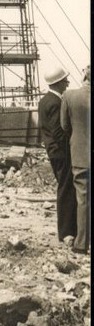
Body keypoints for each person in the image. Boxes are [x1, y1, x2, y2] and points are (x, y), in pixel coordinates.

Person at [37, 66, 77, 247]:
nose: (67, 83)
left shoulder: (44, 100)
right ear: (58, 83)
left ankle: (67, 231)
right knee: (67, 190)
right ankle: (67, 232)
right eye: (65, 81)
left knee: (65, 188)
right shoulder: (56, 103)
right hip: (62, 153)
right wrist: (72, 144)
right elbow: (58, 131)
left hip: (53, 151)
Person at [60, 67, 91, 256]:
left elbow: (64, 126)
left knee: (83, 199)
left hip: (80, 154)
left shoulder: (69, 96)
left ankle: (81, 244)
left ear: (85, 76)